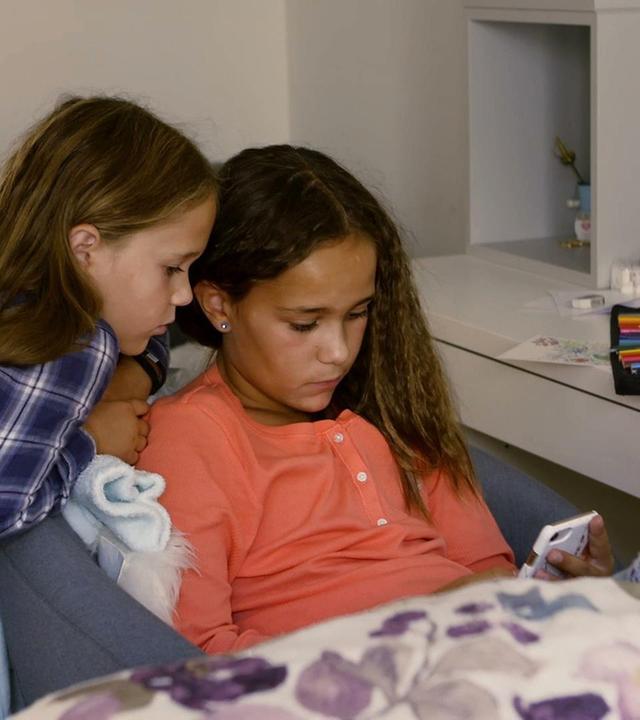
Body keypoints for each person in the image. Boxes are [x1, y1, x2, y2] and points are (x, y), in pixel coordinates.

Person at [138, 144, 614, 654]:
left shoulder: (391, 407)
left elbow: (487, 571)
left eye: (357, 313)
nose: (339, 352)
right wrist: (420, 620)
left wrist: (561, 590)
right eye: (304, 324)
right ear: (219, 305)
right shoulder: (192, 437)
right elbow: (200, 654)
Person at [0, 95, 217, 539]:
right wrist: (92, 440)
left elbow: (148, 338)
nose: (183, 295)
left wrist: (131, 375)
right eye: (171, 268)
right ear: (85, 250)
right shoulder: (78, 345)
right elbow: (6, 510)